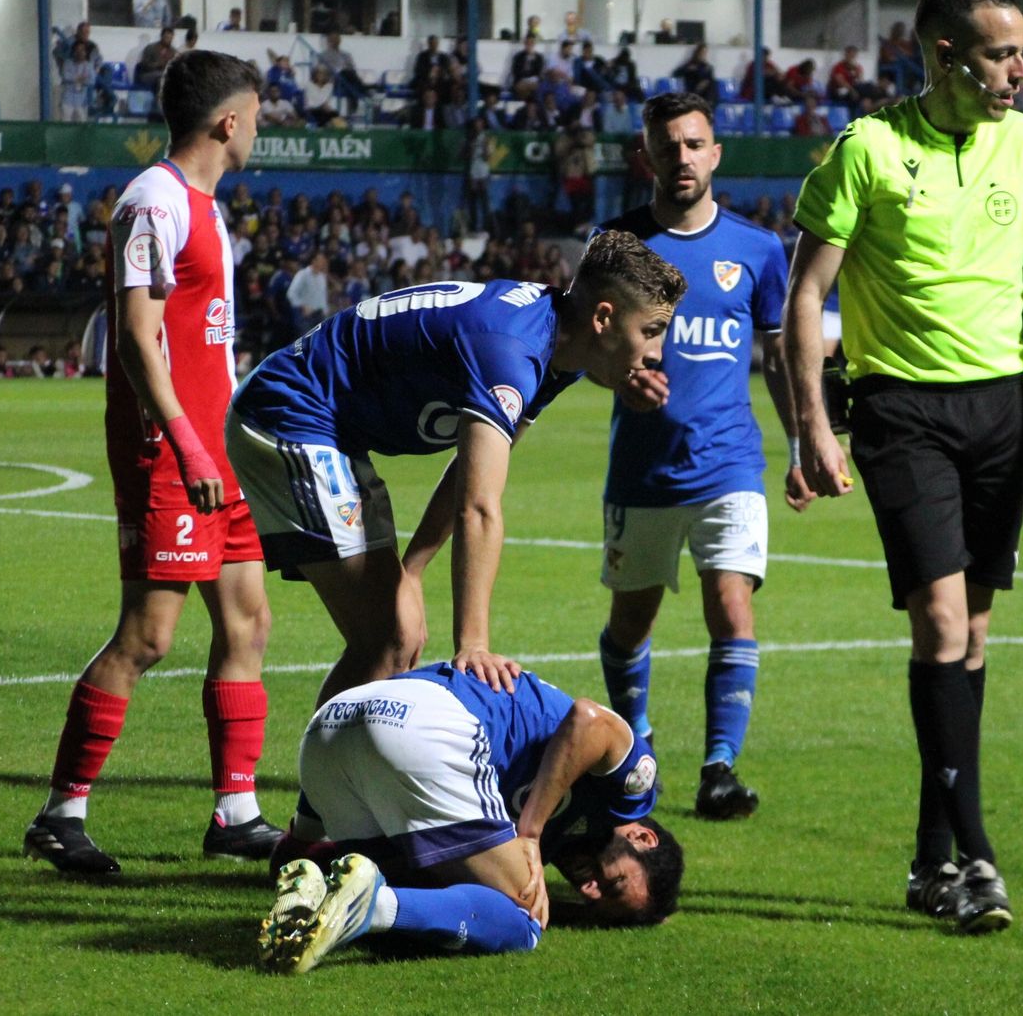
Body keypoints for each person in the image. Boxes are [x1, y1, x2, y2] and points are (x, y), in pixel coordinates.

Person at [783, 0, 1023, 935]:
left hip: (999, 411)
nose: (1021, 71)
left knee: (972, 637)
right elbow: (804, 297)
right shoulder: (867, 148)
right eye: (1000, 54)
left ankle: (931, 859)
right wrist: (812, 425)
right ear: (944, 56)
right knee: (940, 625)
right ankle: (978, 857)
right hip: (900, 410)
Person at [226, 235, 687, 866]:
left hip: (330, 427)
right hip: (291, 413)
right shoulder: (512, 347)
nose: (656, 352)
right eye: (652, 330)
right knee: (391, 634)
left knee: (396, 632)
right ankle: (310, 836)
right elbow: (480, 505)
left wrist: (414, 566)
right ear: (604, 318)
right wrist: (473, 641)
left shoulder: (554, 347)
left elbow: (470, 472)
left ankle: (314, 832)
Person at [23, 50, 281, 875]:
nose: (260, 129)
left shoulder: (203, 206)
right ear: (229, 121)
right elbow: (137, 337)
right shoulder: (154, 202)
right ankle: (61, 814)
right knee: (149, 633)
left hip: (219, 450)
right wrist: (189, 440)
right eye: (257, 115)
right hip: (171, 452)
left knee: (249, 622)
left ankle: (235, 811)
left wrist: (231, 433)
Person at [591, 92, 805, 821]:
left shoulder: (757, 249)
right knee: (631, 625)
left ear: (715, 153)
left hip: (729, 462)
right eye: (667, 145)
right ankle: (638, 747)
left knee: (731, 603)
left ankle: (720, 766)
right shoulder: (615, 246)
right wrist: (622, 374)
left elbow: (775, 356)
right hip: (643, 470)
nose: (681, 157)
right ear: (645, 156)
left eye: (694, 144)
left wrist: (801, 443)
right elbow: (582, 347)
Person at [255, 663, 682, 973]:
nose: (589, 889)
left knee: (413, 926)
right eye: (613, 883)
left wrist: (299, 841)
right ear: (643, 838)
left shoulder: (568, 837)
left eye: (596, 901)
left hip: (331, 726)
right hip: (423, 726)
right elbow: (589, 721)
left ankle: (315, 891)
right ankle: (371, 907)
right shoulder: (630, 793)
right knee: (524, 920)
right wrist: (530, 834)